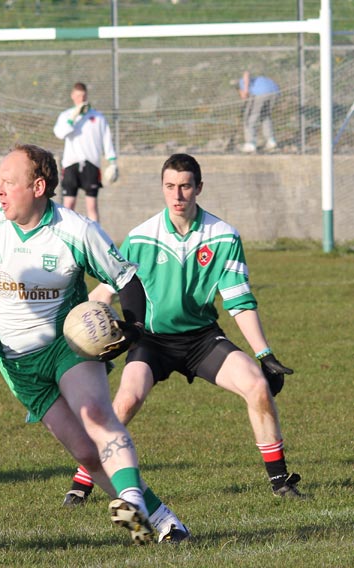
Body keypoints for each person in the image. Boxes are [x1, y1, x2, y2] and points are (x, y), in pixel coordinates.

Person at [0, 143, 189, 545]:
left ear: (38, 186)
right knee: (86, 454)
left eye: (8, 182)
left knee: (95, 414)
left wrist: (135, 325)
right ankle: (156, 523)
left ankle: (132, 504)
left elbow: (125, 279)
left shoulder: (76, 230)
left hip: (69, 346)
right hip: (18, 364)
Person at [64, 152, 302, 508]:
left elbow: (238, 301)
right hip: (152, 341)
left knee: (256, 384)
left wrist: (265, 355)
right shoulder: (141, 237)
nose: (178, 195)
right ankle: (81, 484)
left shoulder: (223, 236)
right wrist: (77, 325)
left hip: (202, 339)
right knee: (125, 402)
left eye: (186, 187)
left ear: (199, 188)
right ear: (162, 188)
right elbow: (109, 291)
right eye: (170, 187)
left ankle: (280, 480)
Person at [53, 82, 118, 223]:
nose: (80, 99)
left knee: (92, 206)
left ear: (86, 96)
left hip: (91, 164)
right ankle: (67, 239)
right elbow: (59, 133)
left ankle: (95, 241)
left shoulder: (98, 117)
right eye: (77, 96)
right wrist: (73, 117)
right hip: (71, 164)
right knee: (68, 205)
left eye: (83, 96)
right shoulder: (66, 116)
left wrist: (112, 162)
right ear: (72, 96)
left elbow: (107, 139)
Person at [238, 71, 280, 153]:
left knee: (249, 118)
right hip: (275, 92)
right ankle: (271, 141)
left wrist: (245, 90)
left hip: (261, 94)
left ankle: (250, 144)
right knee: (265, 116)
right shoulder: (257, 80)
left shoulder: (241, 82)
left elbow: (246, 73)